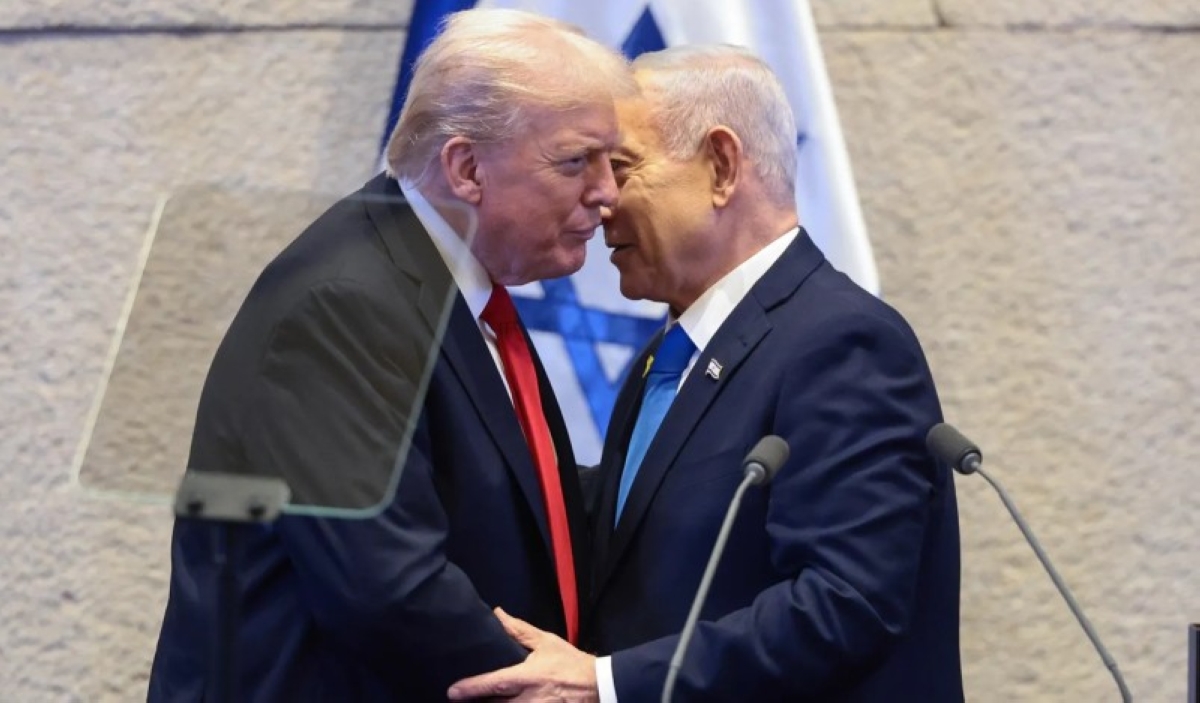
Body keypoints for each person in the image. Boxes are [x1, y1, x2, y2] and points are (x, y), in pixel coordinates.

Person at [448, 45, 963, 702]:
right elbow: (637, 536)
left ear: (721, 166)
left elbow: (844, 603)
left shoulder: (843, 343)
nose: (599, 200)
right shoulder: (670, 355)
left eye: (621, 168)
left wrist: (607, 682)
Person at [148, 9, 633, 701]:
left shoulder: (445, 277)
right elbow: (389, 587)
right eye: (576, 161)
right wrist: (555, 687)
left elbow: (507, 494)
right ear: (466, 167)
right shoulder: (346, 303)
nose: (607, 192)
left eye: (610, 162)